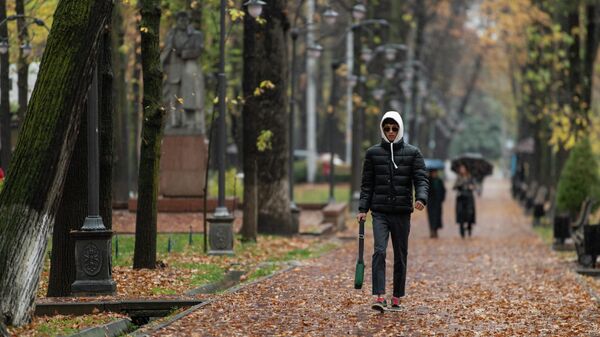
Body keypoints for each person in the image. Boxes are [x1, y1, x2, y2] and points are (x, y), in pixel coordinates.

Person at [357, 110, 429, 312]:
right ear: (382, 128)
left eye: (394, 128)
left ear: (400, 129)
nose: (390, 131)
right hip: (379, 212)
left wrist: (421, 198)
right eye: (387, 128)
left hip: (401, 212)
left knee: (400, 254)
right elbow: (366, 184)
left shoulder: (413, 153)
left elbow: (421, 179)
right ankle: (380, 296)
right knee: (379, 251)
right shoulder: (372, 153)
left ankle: (397, 296)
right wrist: (363, 208)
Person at [160, 11, 206, 133]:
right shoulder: (172, 34)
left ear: (188, 21)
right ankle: (174, 121)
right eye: (181, 20)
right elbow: (167, 51)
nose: (183, 22)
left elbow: (198, 51)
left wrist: (185, 54)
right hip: (174, 70)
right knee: (173, 98)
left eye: (185, 20)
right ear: (177, 21)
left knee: (188, 98)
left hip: (189, 71)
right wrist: (161, 67)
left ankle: (188, 122)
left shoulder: (195, 35)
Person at [453, 164, 476, 238]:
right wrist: (460, 184)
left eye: (463, 168)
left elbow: (475, 186)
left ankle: (469, 227)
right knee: (461, 214)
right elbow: (454, 187)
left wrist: (471, 187)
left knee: (469, 214)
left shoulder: (470, 177)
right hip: (461, 198)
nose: (462, 170)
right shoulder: (458, 178)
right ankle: (462, 231)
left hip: (469, 198)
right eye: (461, 169)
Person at [427, 168, 446, 238]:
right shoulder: (428, 181)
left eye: (436, 172)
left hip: (438, 202)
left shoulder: (439, 180)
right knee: (431, 216)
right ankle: (432, 230)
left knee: (437, 216)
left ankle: (435, 230)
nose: (435, 174)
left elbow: (443, 190)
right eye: (433, 172)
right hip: (431, 202)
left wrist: (442, 198)